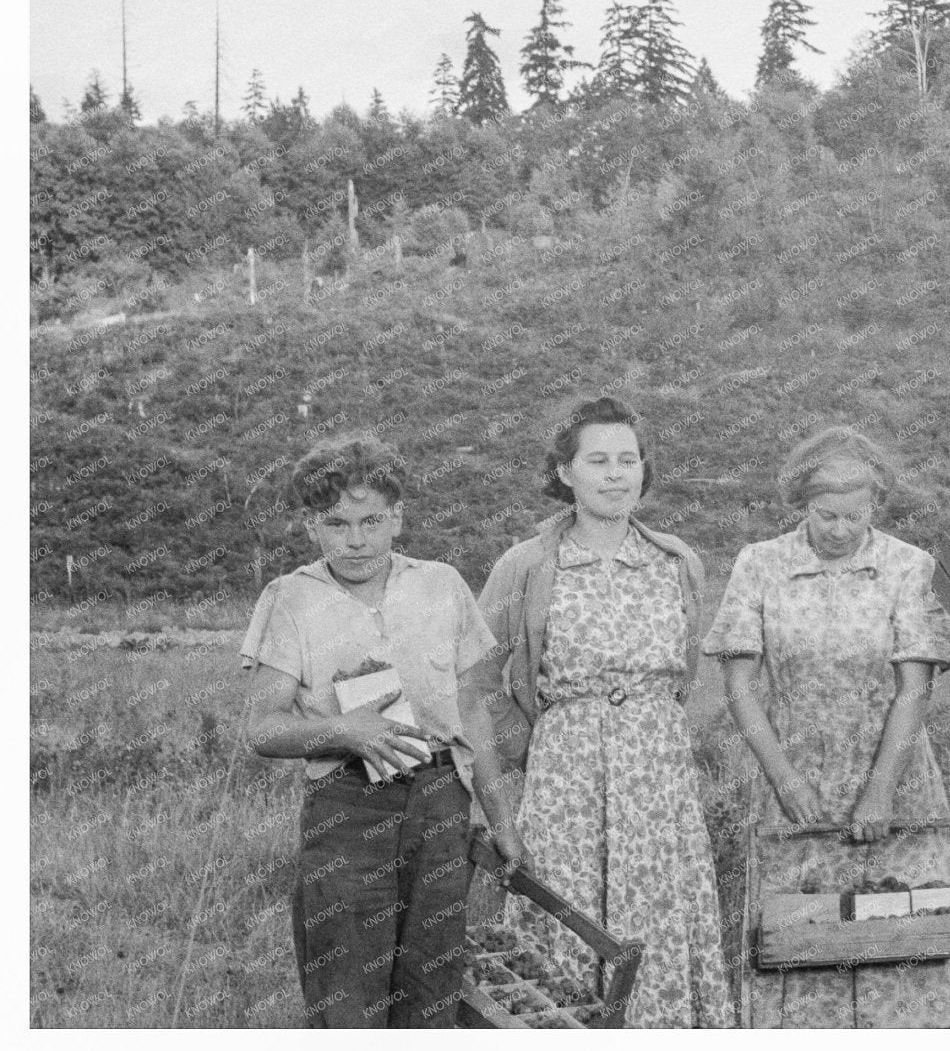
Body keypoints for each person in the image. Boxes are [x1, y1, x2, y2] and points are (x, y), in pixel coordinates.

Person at [475, 396, 734, 1028]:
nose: (616, 474)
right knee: (566, 922)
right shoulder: (527, 563)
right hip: (566, 777)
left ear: (645, 469)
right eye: (598, 460)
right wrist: (539, 742)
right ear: (565, 471)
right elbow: (476, 688)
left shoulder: (677, 562)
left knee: (656, 920)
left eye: (628, 459)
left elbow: (681, 683)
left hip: (658, 777)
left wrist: (641, 736)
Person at [703, 425, 950, 1028]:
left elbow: (914, 689)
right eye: (827, 516)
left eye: (855, 516)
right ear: (802, 504)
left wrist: (879, 791)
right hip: (791, 775)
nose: (841, 530)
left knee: (899, 936)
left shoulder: (909, 565)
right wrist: (784, 782)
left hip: (894, 773)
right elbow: (741, 687)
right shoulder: (760, 564)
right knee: (798, 940)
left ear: (875, 505)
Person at [240, 433, 505, 1028]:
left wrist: (502, 820)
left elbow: (474, 712)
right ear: (311, 527)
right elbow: (262, 728)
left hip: (441, 801)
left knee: (432, 985)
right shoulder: (290, 599)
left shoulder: (442, 584)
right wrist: (344, 730)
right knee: (347, 992)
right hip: (347, 806)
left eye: (371, 520)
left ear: (398, 518)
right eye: (336, 523)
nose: (355, 540)